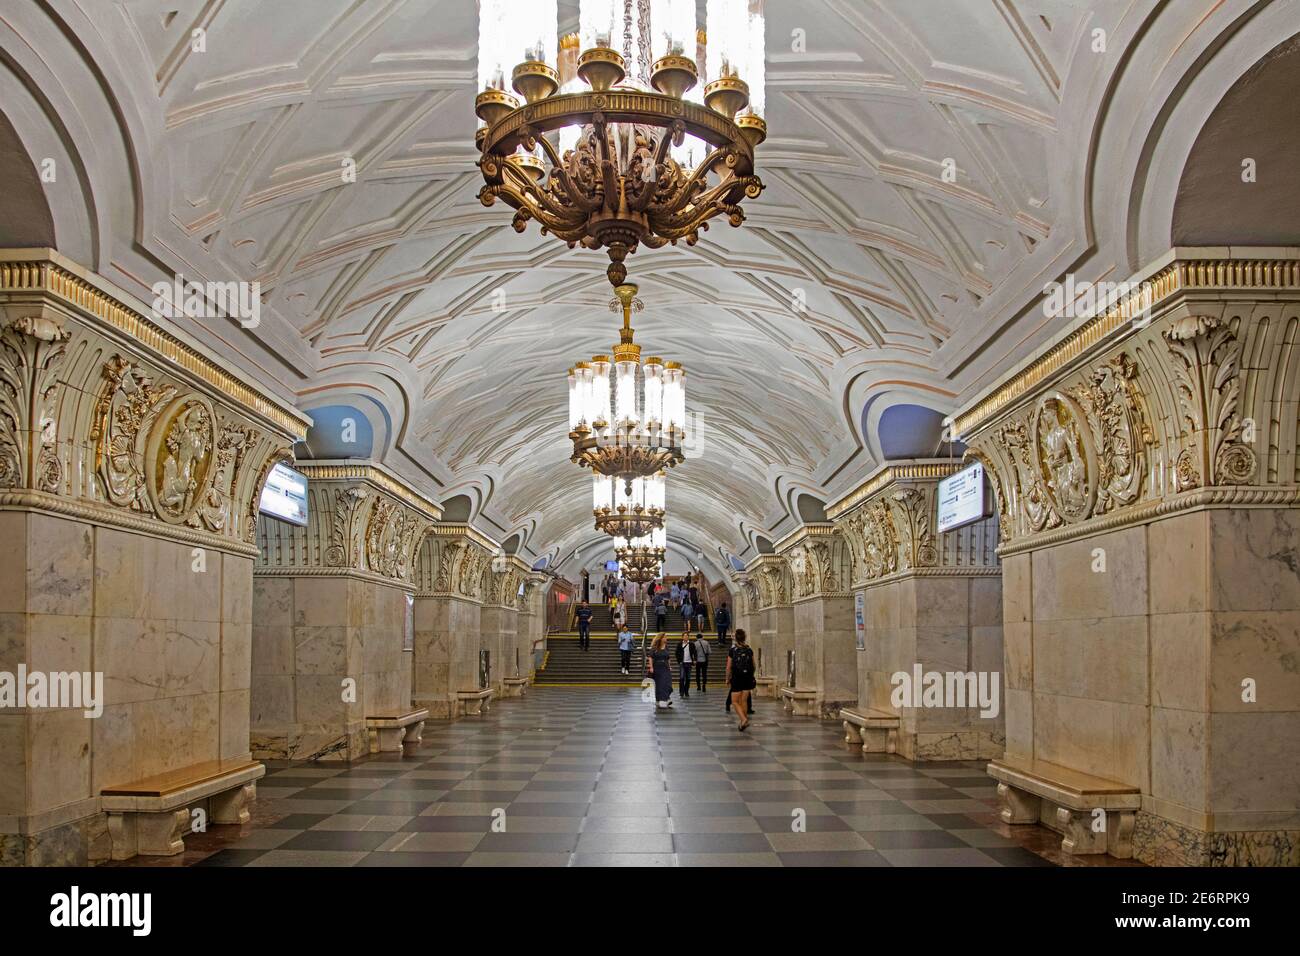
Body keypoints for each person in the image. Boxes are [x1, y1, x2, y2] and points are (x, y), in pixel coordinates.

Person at [726, 628, 756, 731]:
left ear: (735, 638)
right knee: (744, 700)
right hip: (747, 678)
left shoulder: (733, 650)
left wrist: (727, 678)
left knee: (734, 701)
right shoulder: (749, 649)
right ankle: (745, 721)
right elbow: (754, 665)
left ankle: (743, 719)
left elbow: (728, 667)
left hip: (737, 678)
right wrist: (751, 675)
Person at [649, 633, 673, 709]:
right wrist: (651, 667)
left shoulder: (666, 647)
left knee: (668, 684)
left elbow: (668, 658)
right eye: (665, 637)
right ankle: (661, 699)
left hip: (665, 667)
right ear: (661, 638)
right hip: (657, 668)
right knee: (660, 685)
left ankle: (666, 697)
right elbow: (650, 657)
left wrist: (670, 666)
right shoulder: (654, 647)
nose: (666, 638)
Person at [674, 630, 694, 699]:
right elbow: (676, 653)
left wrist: (695, 659)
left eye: (687, 636)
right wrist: (679, 661)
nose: (686, 637)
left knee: (688, 678)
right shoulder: (679, 644)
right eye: (684, 636)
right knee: (682, 678)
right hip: (682, 663)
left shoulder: (691, 644)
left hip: (689, 663)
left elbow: (695, 652)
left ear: (688, 637)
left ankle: (686, 691)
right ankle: (681, 692)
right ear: (682, 637)